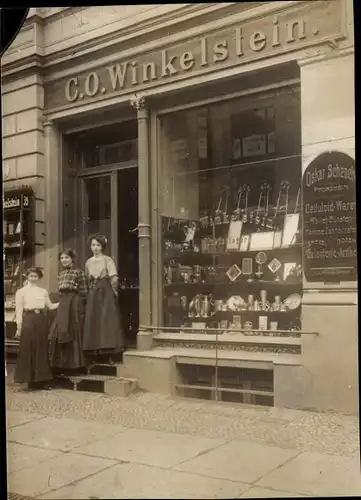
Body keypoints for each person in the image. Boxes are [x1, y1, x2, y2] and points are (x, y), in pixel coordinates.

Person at [14, 267, 59, 390]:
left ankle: (41, 380)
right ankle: (28, 380)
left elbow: (50, 306)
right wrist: (19, 327)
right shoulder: (21, 292)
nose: (33, 278)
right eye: (31, 276)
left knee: (41, 348)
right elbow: (18, 310)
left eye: (36, 276)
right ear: (27, 277)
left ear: (39, 278)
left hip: (40, 320)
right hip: (28, 319)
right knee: (28, 348)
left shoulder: (43, 291)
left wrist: (64, 302)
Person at [83, 234, 124, 366]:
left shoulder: (107, 260)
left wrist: (114, 292)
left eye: (98, 245)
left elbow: (114, 278)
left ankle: (109, 353)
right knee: (94, 319)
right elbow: (87, 279)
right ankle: (94, 352)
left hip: (106, 290)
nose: (95, 248)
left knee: (107, 320)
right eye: (93, 245)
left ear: (102, 247)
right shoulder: (88, 262)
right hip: (93, 292)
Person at [48, 249, 88, 373]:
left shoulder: (78, 272)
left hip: (74, 302)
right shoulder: (60, 274)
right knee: (59, 328)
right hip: (63, 302)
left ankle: (76, 365)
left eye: (66, 258)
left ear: (72, 259)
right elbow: (59, 291)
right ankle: (61, 365)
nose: (64, 260)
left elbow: (84, 291)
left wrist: (79, 305)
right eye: (62, 258)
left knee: (72, 328)